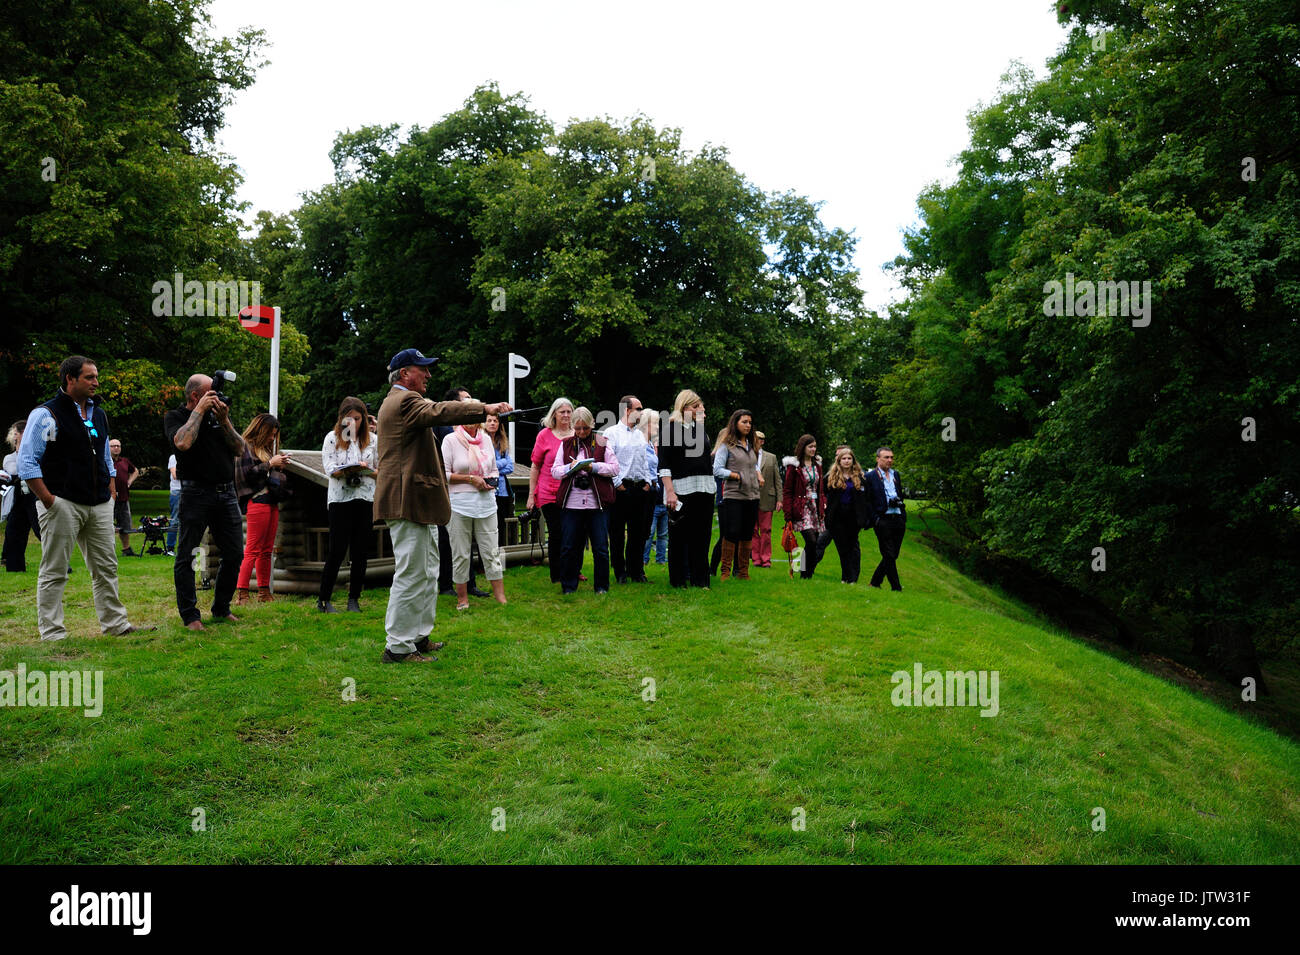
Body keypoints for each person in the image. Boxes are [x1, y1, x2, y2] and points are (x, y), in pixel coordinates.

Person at [374, 348, 510, 663]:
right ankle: (398, 647)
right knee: (412, 573)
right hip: (405, 501)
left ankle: (417, 638)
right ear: (406, 373)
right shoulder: (405, 400)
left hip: (415, 502)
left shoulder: (398, 402)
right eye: (424, 369)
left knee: (426, 571)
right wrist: (484, 408)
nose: (429, 375)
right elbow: (440, 412)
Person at [18, 355, 153, 640]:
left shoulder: (99, 414)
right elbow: (28, 462)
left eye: (96, 376)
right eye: (89, 377)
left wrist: (112, 492)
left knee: (106, 566)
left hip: (100, 503)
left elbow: (105, 457)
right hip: (62, 502)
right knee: (55, 569)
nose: (96, 382)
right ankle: (53, 632)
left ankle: (116, 625)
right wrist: (48, 500)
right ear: (70, 379)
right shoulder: (47, 415)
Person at [165, 372, 247, 631]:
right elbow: (183, 443)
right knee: (189, 555)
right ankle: (191, 616)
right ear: (195, 395)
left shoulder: (219, 417)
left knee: (234, 553)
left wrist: (224, 420)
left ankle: (222, 608)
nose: (218, 397)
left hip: (226, 493)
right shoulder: (175, 417)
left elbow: (240, 449)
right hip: (195, 494)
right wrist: (199, 411)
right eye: (212, 393)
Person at [442, 398, 507, 609]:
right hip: (460, 504)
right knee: (460, 552)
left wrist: (491, 482)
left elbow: (494, 469)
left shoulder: (486, 439)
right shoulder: (450, 440)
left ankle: (500, 597)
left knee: (491, 550)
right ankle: (462, 598)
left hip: (486, 503)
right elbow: (445, 474)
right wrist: (471, 479)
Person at [318, 397, 378, 613]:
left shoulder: (372, 440)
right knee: (336, 550)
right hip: (340, 499)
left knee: (360, 551)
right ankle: (324, 599)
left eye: (357, 418)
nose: (352, 422)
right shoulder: (332, 438)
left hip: (365, 497)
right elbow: (330, 469)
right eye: (348, 418)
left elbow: (382, 471)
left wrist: (365, 469)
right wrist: (347, 469)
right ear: (341, 418)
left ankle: (354, 598)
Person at [551, 407, 619, 594]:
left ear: (592, 425)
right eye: (578, 428)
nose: (581, 432)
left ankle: (601, 587)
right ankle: (568, 586)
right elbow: (555, 471)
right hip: (571, 503)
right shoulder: (565, 444)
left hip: (597, 503)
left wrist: (593, 468)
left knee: (600, 547)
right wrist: (570, 468)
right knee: (568, 546)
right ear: (573, 426)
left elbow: (614, 468)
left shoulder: (602, 441)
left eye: (585, 428)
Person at [659, 389, 714, 589]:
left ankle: (701, 580)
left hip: (705, 489)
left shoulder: (701, 431)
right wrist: (670, 491)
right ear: (684, 408)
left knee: (702, 536)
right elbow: (663, 464)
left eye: (701, 405)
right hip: (681, 489)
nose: (701, 409)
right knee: (679, 536)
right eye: (696, 406)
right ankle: (678, 580)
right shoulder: (670, 429)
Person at [234, 413, 291, 604]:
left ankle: (263, 592)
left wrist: (279, 465)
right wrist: (270, 464)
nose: (272, 438)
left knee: (267, 551)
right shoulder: (244, 447)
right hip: (257, 501)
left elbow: (266, 475)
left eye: (275, 435)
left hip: (271, 501)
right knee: (252, 549)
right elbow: (247, 475)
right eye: (270, 433)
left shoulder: (265, 449)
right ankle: (242, 593)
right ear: (261, 429)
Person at [603, 395, 655, 584]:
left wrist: (648, 481)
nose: (642, 412)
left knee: (638, 533)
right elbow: (608, 460)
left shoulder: (640, 434)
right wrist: (618, 483)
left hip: (640, 488)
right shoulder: (612, 433)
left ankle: (636, 571)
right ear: (627, 410)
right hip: (621, 488)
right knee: (617, 533)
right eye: (639, 408)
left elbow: (644, 461)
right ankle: (620, 572)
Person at [526, 397, 575, 586]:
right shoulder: (545, 435)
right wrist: (531, 494)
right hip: (548, 492)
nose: (566, 415)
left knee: (572, 532)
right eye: (562, 411)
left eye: (569, 411)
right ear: (554, 414)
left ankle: (572, 569)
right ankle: (557, 574)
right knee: (557, 532)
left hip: (572, 492)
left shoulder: (576, 434)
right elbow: (535, 466)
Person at [711, 409, 762, 580]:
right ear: (735, 423)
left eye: (750, 422)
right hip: (734, 495)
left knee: (748, 532)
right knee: (731, 532)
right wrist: (734, 475)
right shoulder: (726, 445)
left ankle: (743, 572)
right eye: (744, 422)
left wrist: (758, 474)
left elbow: (752, 466)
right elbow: (717, 470)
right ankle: (725, 571)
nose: (748, 425)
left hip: (752, 495)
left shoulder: (752, 445)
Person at [821, 446, 869, 584]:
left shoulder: (860, 477)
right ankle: (845, 576)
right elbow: (823, 494)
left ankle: (852, 578)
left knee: (852, 547)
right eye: (844, 459)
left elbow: (866, 498)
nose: (847, 461)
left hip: (853, 517)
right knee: (842, 548)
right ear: (839, 461)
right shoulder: (831, 477)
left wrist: (864, 517)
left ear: (853, 461)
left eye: (849, 458)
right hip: (837, 517)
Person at [782, 434, 826, 579]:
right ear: (803, 447)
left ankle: (806, 572)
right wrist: (788, 514)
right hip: (801, 508)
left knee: (814, 543)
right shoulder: (794, 466)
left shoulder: (818, 464)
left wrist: (823, 502)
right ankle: (804, 573)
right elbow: (787, 491)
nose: (813, 449)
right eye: (810, 446)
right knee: (811, 540)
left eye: (815, 446)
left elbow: (821, 488)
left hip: (815, 507)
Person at [2, 420, 42, 572]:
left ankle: (62, 565)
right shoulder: (9, 457)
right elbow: (14, 470)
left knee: (41, 531)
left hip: (35, 496)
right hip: (18, 498)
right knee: (13, 531)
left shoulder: (38, 453)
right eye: (23, 432)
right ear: (16, 435)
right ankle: (14, 566)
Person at [865, 445, 907, 591]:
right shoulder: (870, 477)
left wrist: (903, 515)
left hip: (898, 518)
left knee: (893, 554)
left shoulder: (896, 475)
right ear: (878, 459)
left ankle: (875, 581)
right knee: (888, 553)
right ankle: (896, 587)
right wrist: (875, 519)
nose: (890, 460)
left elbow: (900, 495)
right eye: (886, 457)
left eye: (891, 457)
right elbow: (867, 501)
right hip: (882, 519)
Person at [640, 409, 668, 567]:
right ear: (646, 424)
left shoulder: (650, 443)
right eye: (655, 423)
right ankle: (641, 561)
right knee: (646, 532)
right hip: (644, 492)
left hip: (654, 492)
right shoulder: (641, 443)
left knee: (659, 533)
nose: (658, 426)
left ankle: (659, 560)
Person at [483, 413, 515, 546]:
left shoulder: (502, 442)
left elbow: (510, 466)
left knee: (500, 525)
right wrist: (501, 462)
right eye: (489, 420)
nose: (492, 423)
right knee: (487, 526)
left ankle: (499, 558)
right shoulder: (481, 441)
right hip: (487, 488)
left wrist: (495, 467)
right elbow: (484, 466)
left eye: (495, 421)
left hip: (502, 491)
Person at [751, 430, 780, 568]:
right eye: (755, 439)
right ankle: (755, 558)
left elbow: (777, 480)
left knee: (766, 530)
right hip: (749, 497)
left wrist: (780, 499)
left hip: (767, 498)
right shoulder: (747, 455)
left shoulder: (771, 457)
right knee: (753, 529)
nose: (758, 441)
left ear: (763, 441)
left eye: (760, 439)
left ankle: (766, 559)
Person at [109, 439, 138, 555]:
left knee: (125, 526)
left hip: (123, 498)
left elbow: (135, 471)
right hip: (109, 499)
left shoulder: (124, 461)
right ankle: (108, 551)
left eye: (118, 446)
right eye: (113, 446)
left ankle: (126, 549)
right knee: (107, 526)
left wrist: (129, 482)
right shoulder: (105, 461)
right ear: (108, 448)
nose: (116, 448)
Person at [165, 452, 180, 556]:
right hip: (177, 492)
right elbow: (175, 475)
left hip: (190, 491)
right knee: (175, 520)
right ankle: (170, 548)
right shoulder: (174, 457)